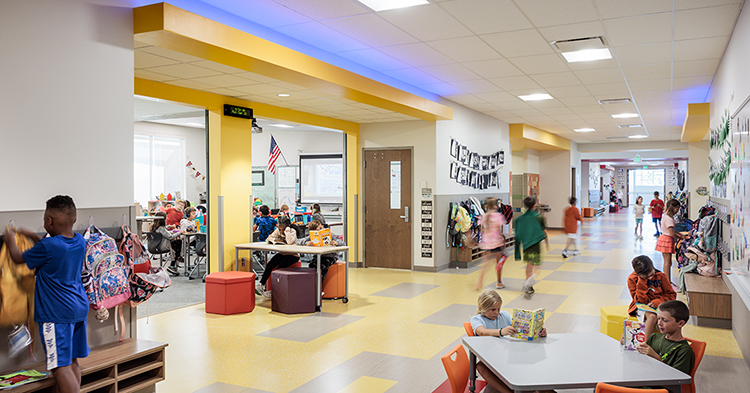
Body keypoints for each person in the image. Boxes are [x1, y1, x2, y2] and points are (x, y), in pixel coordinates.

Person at [1, 196, 90, 393]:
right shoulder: (80, 241)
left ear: (48, 220)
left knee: (59, 367)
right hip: (78, 308)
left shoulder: (48, 247)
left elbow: (18, 258)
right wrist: (32, 235)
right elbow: (47, 249)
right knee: (71, 361)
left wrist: (10, 241)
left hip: (56, 314)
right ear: (74, 219)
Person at [469, 290, 547, 393]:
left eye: (498, 309)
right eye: (492, 309)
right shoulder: (477, 319)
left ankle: (540, 387)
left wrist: (538, 331)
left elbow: (517, 327)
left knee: (532, 356)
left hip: (508, 354)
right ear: (483, 308)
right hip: (491, 358)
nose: (497, 312)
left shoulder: (504, 315)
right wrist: (501, 331)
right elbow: (482, 331)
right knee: (480, 366)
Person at [635, 300, 695, 378]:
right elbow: (641, 360)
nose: (659, 323)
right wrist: (628, 344)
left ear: (680, 323)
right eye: (658, 318)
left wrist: (655, 357)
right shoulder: (654, 337)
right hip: (644, 378)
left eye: (664, 320)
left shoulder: (684, 351)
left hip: (659, 388)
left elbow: (676, 380)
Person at [627, 255, 676, 339]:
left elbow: (671, 295)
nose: (650, 278)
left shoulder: (661, 276)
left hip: (660, 305)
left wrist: (657, 302)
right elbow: (639, 300)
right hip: (641, 307)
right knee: (652, 316)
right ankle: (647, 344)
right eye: (645, 277)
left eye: (652, 274)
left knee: (670, 317)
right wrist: (642, 282)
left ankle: (668, 342)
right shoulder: (632, 279)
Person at [256, 217, 299, 298]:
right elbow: (269, 238)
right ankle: (261, 284)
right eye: (280, 229)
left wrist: (286, 232)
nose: (281, 231)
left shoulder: (292, 231)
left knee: (279, 269)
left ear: (288, 226)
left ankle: (275, 289)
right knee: (270, 265)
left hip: (292, 255)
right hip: (282, 253)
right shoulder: (278, 231)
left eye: (283, 229)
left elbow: (290, 242)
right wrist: (274, 240)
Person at [514, 196, 547, 299]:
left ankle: (528, 284)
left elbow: (518, 234)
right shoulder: (539, 217)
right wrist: (547, 242)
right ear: (535, 205)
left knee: (529, 266)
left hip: (526, 245)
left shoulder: (520, 219)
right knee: (537, 267)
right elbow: (543, 230)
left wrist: (517, 250)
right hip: (535, 245)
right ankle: (528, 284)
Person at [476, 197, 507, 290]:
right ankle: (499, 282)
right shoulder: (498, 216)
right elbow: (499, 230)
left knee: (485, 264)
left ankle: (479, 283)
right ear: (495, 206)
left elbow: (481, 228)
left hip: (486, 243)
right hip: (497, 242)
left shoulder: (484, 216)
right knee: (498, 264)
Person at [656, 199, 683, 288]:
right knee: (667, 263)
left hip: (664, 238)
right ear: (673, 207)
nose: (677, 211)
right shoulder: (670, 219)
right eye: (677, 209)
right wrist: (680, 237)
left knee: (668, 262)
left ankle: (667, 281)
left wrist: (679, 234)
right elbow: (671, 233)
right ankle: (668, 283)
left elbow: (671, 230)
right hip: (667, 240)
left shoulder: (665, 216)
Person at [150, 212, 184, 276]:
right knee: (178, 242)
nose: (167, 219)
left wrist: (169, 226)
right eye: (166, 218)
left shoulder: (154, 227)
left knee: (175, 245)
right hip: (162, 246)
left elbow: (164, 231)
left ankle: (176, 260)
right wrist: (180, 232)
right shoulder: (162, 229)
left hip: (156, 246)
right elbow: (170, 236)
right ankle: (173, 264)